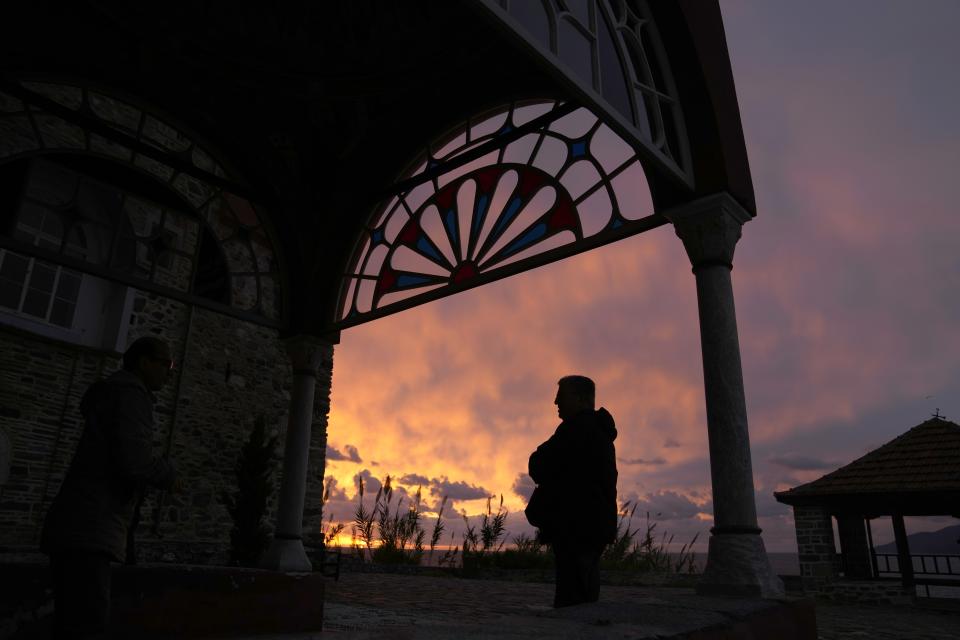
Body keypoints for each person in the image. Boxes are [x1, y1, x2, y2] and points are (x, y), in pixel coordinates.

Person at [41, 336, 179, 638]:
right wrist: (168, 472)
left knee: (70, 621)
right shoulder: (131, 396)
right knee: (86, 624)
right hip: (92, 528)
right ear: (144, 362)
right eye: (166, 363)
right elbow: (134, 463)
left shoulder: (111, 395)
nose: (171, 372)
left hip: (76, 525)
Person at [527, 375, 618, 607]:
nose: (556, 403)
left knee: (572, 596)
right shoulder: (598, 432)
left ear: (580, 399)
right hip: (592, 525)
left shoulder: (577, 430)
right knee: (586, 587)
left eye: (561, 397)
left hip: (575, 525)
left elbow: (539, 463)